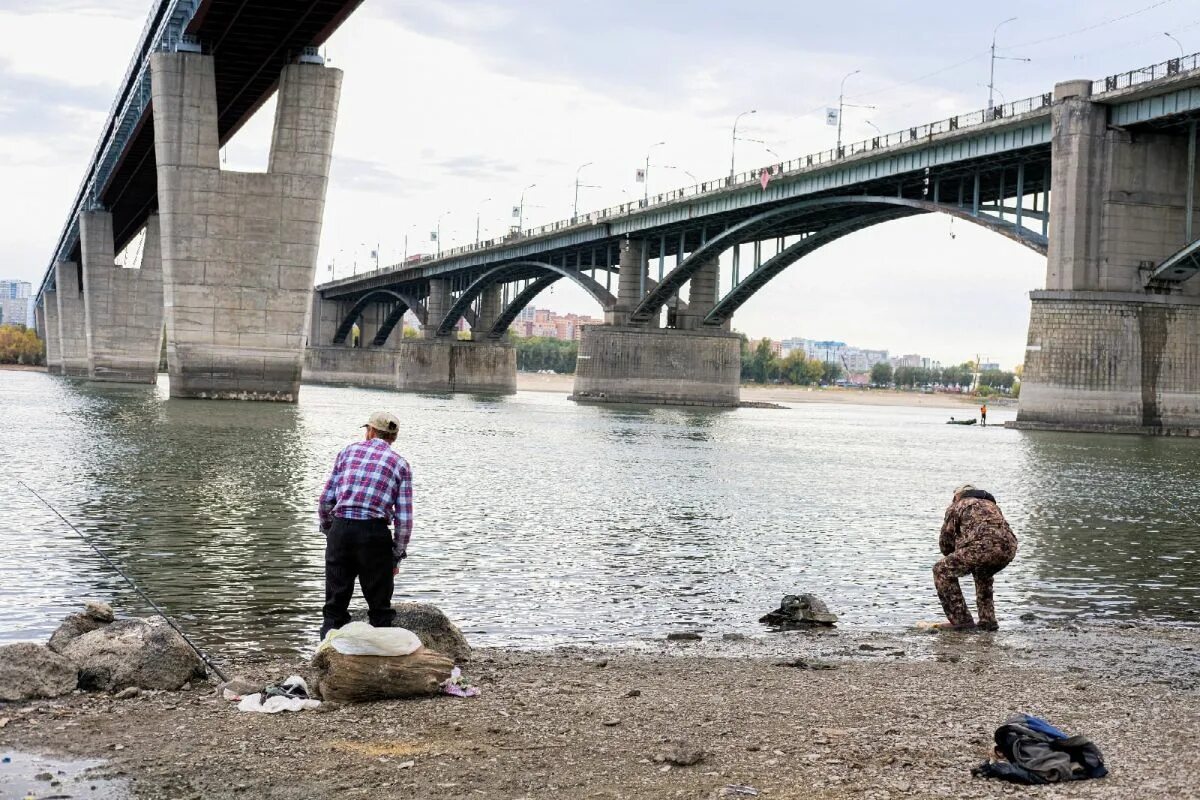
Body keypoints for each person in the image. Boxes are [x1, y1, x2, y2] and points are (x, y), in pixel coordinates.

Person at [318, 411, 413, 639]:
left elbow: (326, 500)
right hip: (374, 534)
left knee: (334, 607)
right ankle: (381, 664)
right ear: (394, 437)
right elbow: (405, 520)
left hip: (341, 528)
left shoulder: (347, 452)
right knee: (380, 609)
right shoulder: (401, 464)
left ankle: (325, 660)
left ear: (370, 432)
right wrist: (396, 555)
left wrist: (330, 529)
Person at [932, 484, 1017, 631]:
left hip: (982, 547)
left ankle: (961, 621)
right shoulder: (990, 505)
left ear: (957, 496)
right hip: (1008, 548)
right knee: (983, 573)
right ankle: (987, 621)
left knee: (941, 570)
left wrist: (954, 557)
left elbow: (945, 543)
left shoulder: (958, 505)